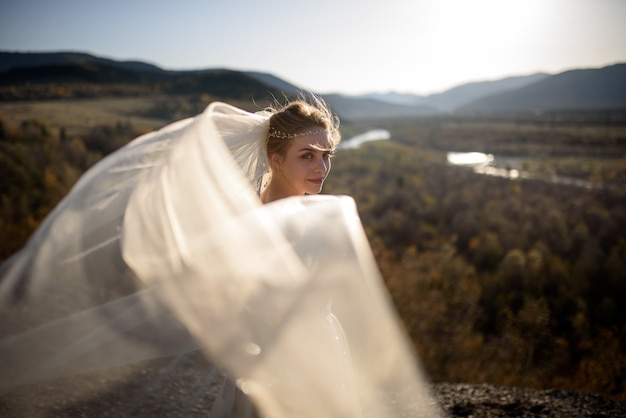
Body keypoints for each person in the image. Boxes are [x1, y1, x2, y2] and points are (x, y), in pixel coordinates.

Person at [0, 96, 442, 417]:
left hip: (312, 349)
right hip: (270, 365)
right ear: (275, 157)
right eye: (307, 156)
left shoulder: (311, 214)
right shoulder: (257, 217)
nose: (321, 169)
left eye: (326, 156)